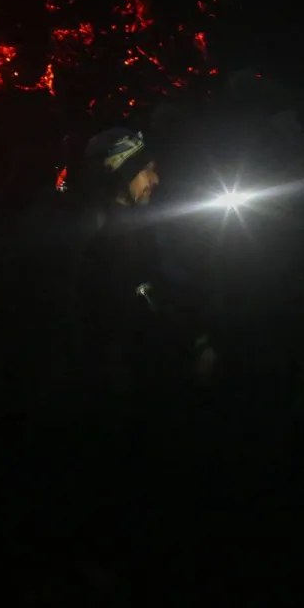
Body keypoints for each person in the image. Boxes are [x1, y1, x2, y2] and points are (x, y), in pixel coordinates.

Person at [65, 127, 218, 420]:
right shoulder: (101, 244)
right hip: (143, 389)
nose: (155, 180)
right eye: (145, 172)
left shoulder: (140, 225)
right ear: (118, 176)